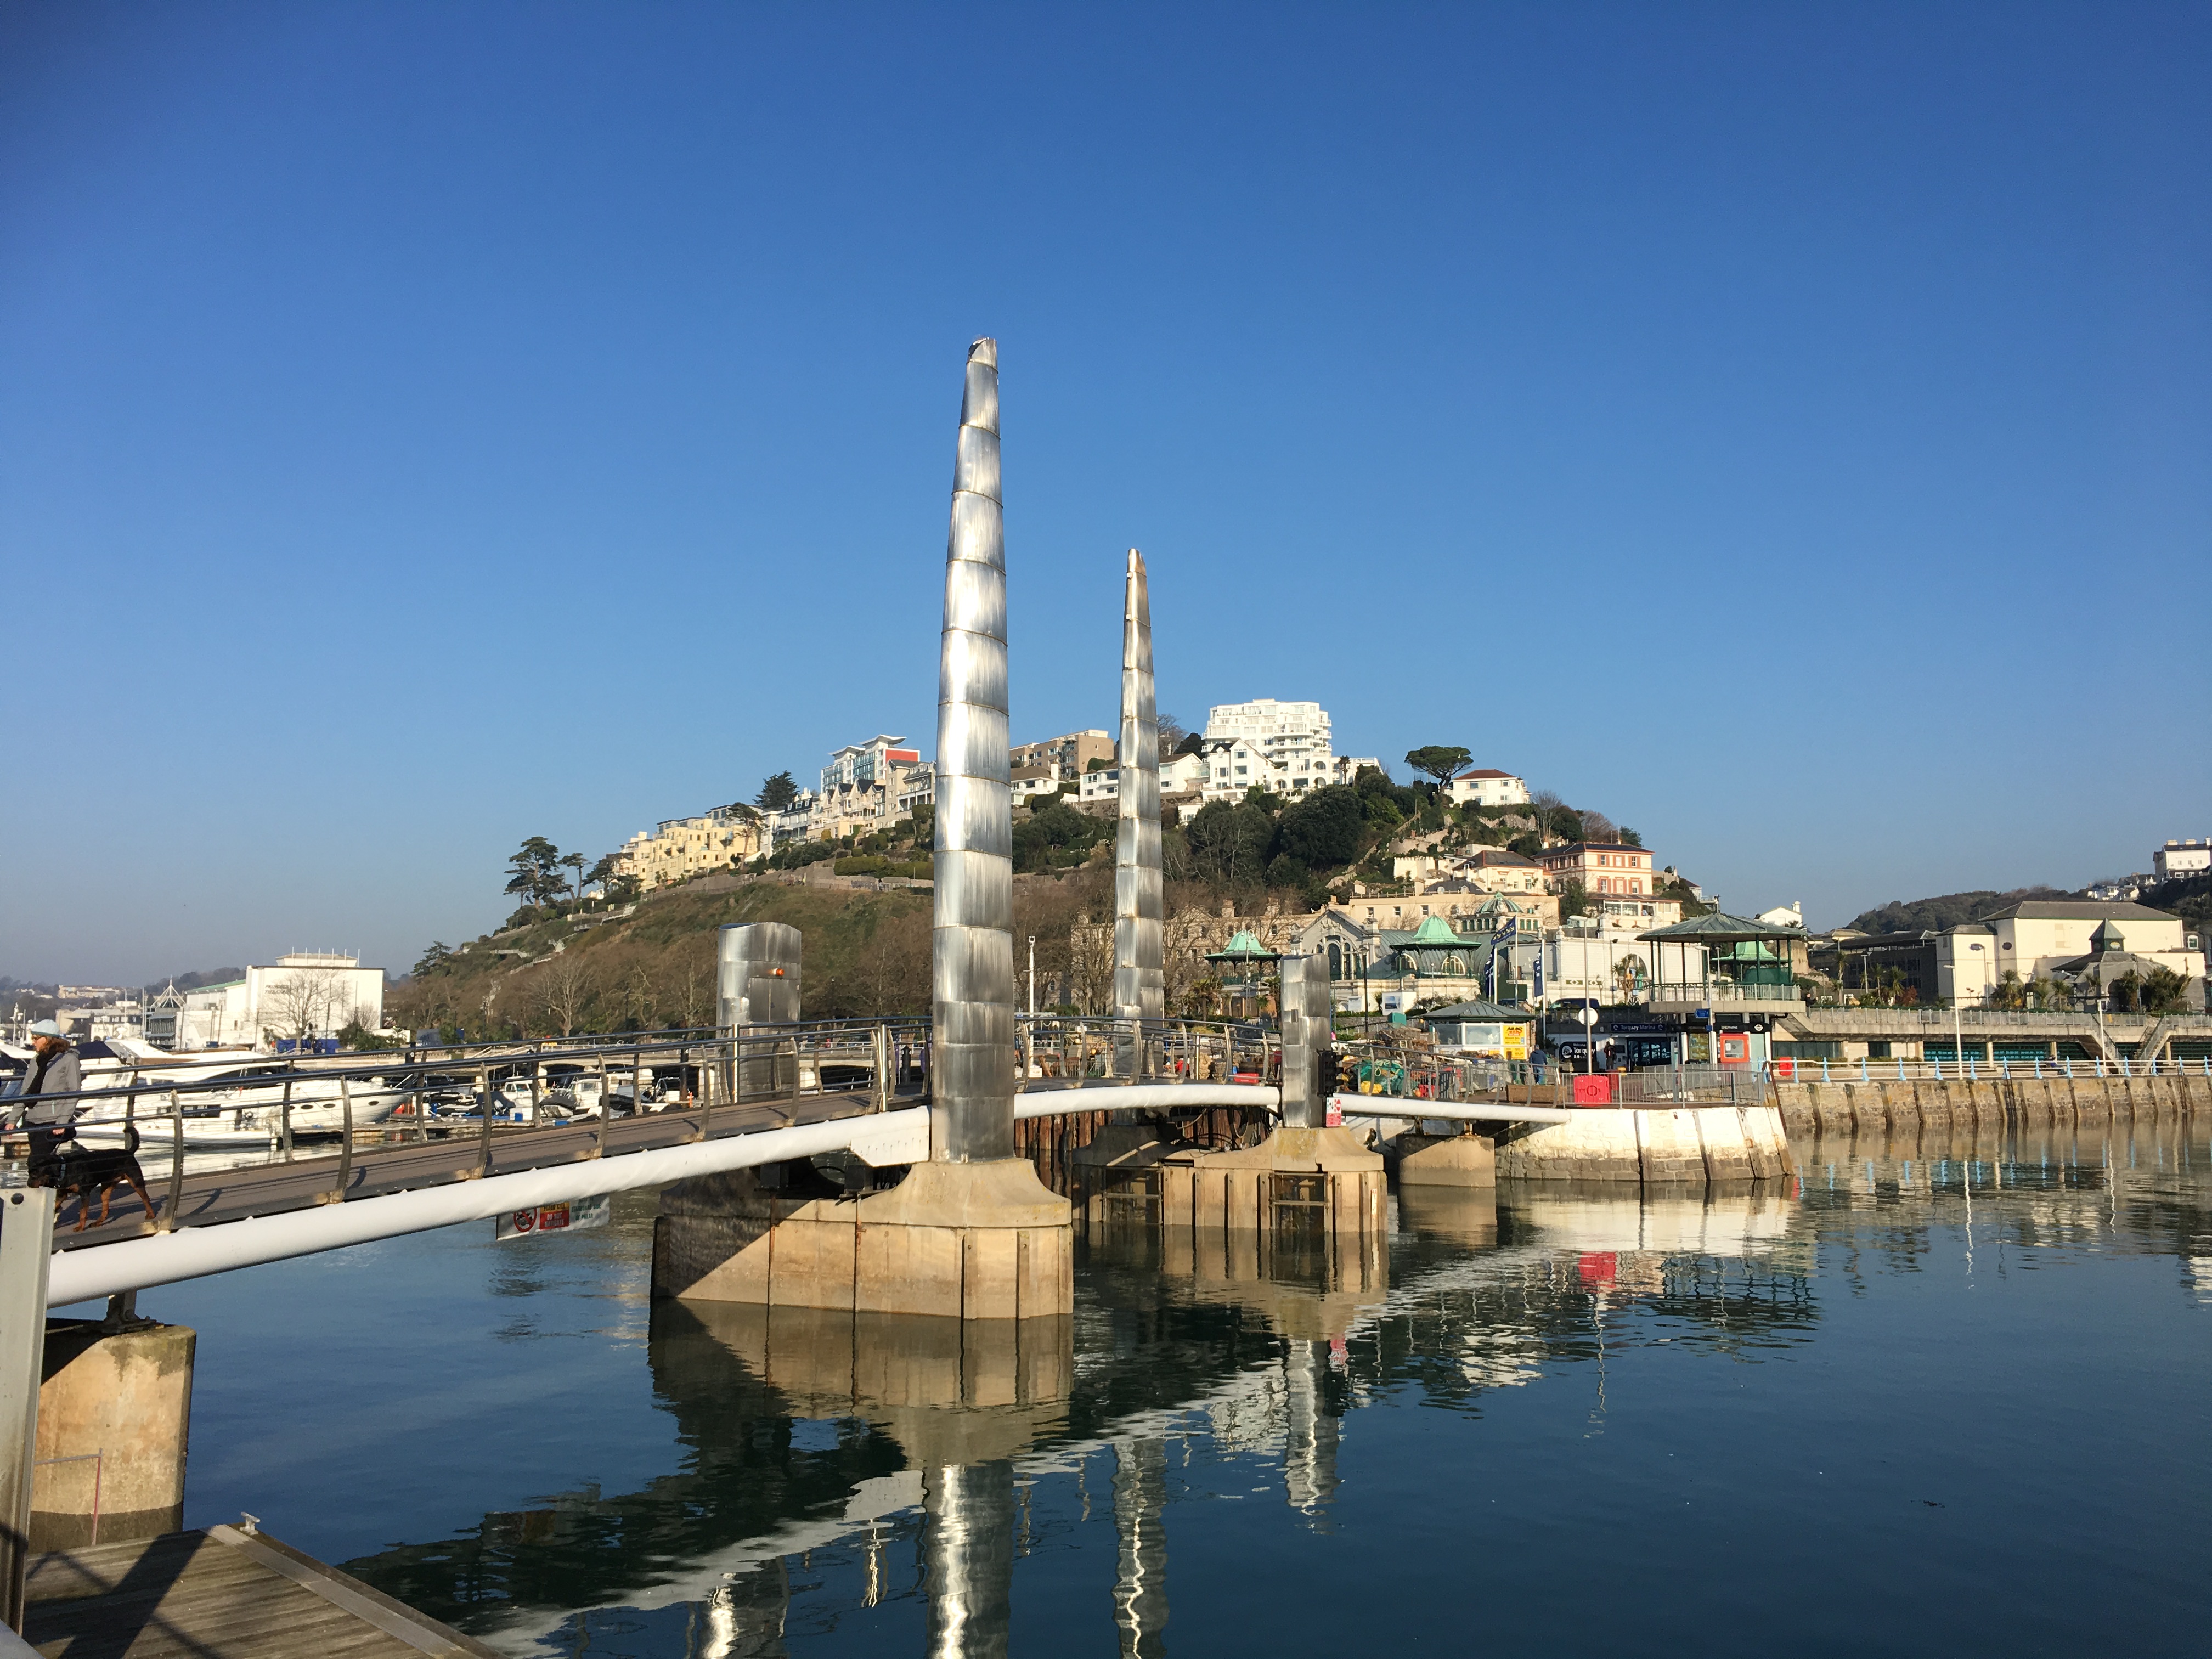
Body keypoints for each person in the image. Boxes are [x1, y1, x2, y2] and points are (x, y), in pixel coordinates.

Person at [11, 1019, 85, 1178]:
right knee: (40, 1163)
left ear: (48, 1039)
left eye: (36, 1038)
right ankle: (52, 1188)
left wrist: (62, 1121)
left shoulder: (69, 1060)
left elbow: (74, 1092)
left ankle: (46, 1190)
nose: (33, 1042)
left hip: (52, 1120)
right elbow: (25, 1091)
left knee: (37, 1162)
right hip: (33, 1118)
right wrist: (12, 1119)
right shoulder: (36, 1061)